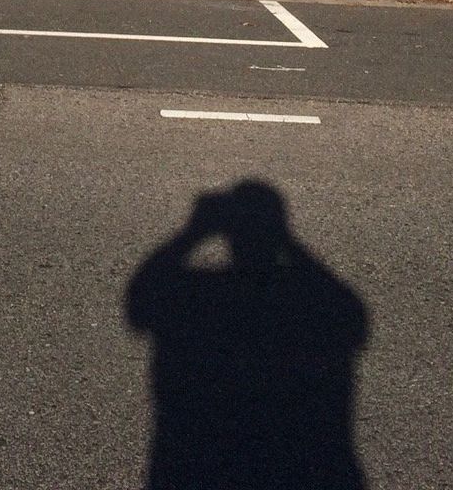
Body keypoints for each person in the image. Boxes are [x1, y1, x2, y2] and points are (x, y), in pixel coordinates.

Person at [127, 181, 370, 489]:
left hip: (197, 463)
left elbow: (140, 302)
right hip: (300, 466)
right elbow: (351, 316)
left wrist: (195, 232)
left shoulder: (198, 293)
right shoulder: (299, 297)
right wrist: (286, 241)